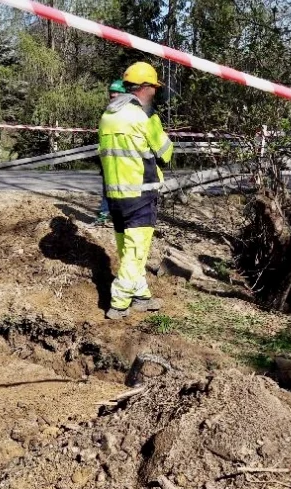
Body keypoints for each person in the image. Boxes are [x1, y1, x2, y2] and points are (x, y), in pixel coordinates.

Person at [98, 62, 173, 320]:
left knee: (127, 249)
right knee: (136, 251)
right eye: (153, 87)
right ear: (143, 88)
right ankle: (119, 303)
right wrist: (159, 131)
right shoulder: (144, 118)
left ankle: (140, 294)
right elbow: (166, 156)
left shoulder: (107, 116)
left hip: (115, 196)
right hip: (140, 195)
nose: (155, 92)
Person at [95, 79, 128, 227]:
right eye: (111, 93)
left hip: (125, 161)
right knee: (107, 190)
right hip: (108, 161)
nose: (113, 95)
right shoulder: (106, 114)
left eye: (117, 93)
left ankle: (123, 218)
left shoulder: (130, 114)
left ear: (124, 94)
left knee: (125, 192)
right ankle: (103, 215)